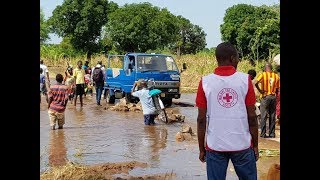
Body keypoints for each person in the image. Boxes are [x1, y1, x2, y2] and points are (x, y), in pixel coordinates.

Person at [196, 42, 258, 180]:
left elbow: (201, 119)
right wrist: (255, 145)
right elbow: (252, 116)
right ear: (232, 58)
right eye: (237, 58)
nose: (238, 61)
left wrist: (201, 149)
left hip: (215, 146)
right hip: (242, 144)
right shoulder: (245, 80)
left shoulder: (205, 82)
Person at [255, 63, 280, 138]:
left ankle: (263, 134)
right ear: (271, 68)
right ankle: (272, 134)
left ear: (265, 68)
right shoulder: (276, 76)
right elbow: (278, 88)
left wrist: (260, 90)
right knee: (272, 116)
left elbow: (256, 82)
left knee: (264, 115)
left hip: (265, 97)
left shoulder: (263, 74)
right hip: (273, 97)